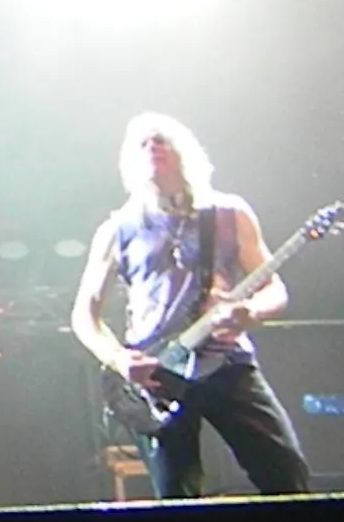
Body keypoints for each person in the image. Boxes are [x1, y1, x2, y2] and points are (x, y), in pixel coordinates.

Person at [70, 113, 312, 499]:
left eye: (161, 140)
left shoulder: (229, 213)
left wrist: (250, 313)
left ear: (186, 152)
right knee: (176, 495)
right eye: (143, 143)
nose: (153, 147)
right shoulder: (117, 229)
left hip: (225, 362)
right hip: (157, 373)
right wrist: (119, 359)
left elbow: (275, 290)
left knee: (286, 475)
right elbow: (85, 315)